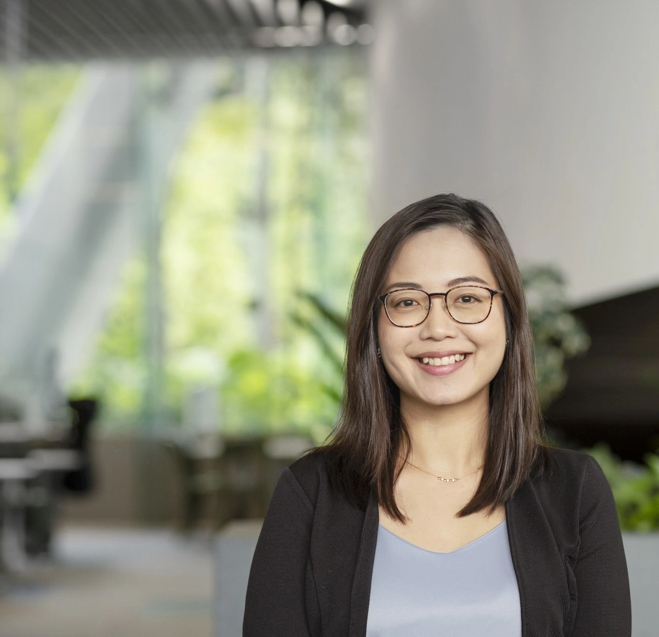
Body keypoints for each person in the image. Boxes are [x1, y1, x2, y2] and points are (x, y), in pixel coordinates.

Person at [243, 194, 630, 636]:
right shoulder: (311, 493)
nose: (438, 328)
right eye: (407, 302)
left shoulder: (575, 491)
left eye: (467, 297)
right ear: (374, 328)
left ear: (509, 319)